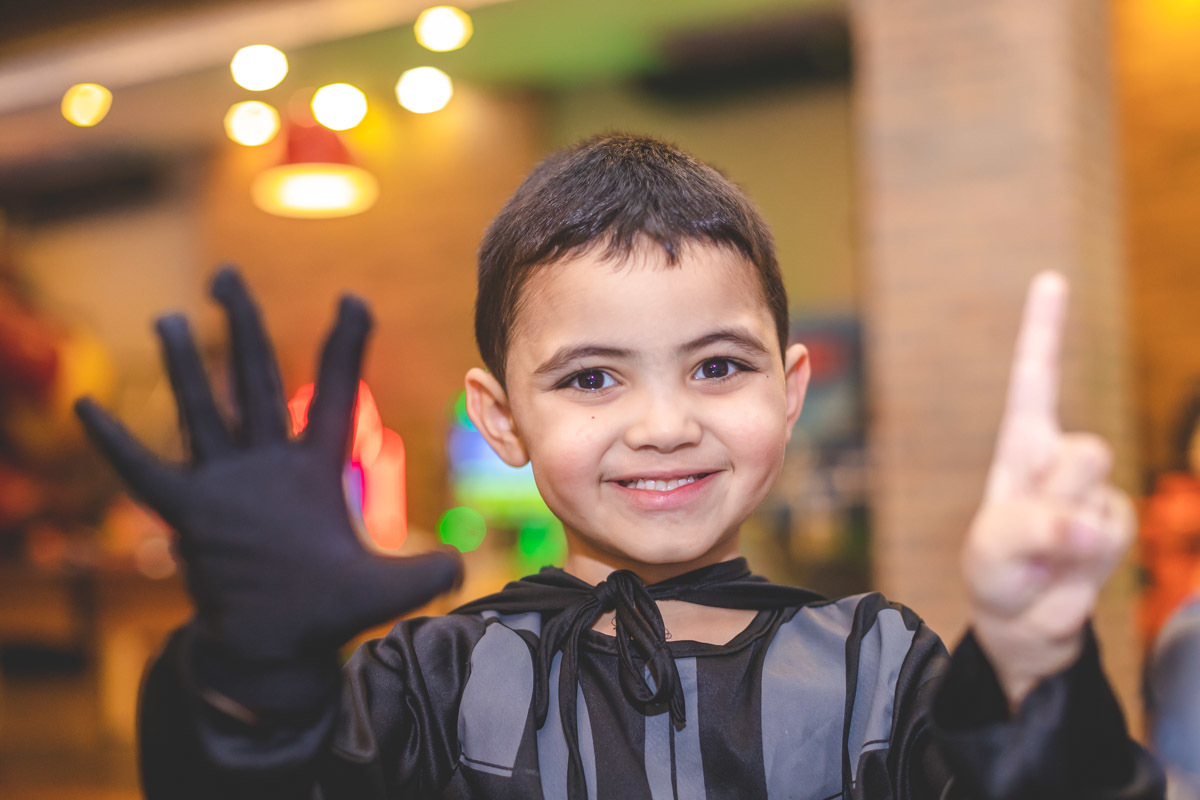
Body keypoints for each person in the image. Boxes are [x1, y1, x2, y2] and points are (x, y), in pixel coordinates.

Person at [75, 134, 1164, 799]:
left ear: (787, 392)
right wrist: (251, 671)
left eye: (717, 365)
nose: (661, 423)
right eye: (593, 378)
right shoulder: (431, 682)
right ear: (501, 419)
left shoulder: (880, 667)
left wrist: (1028, 656)